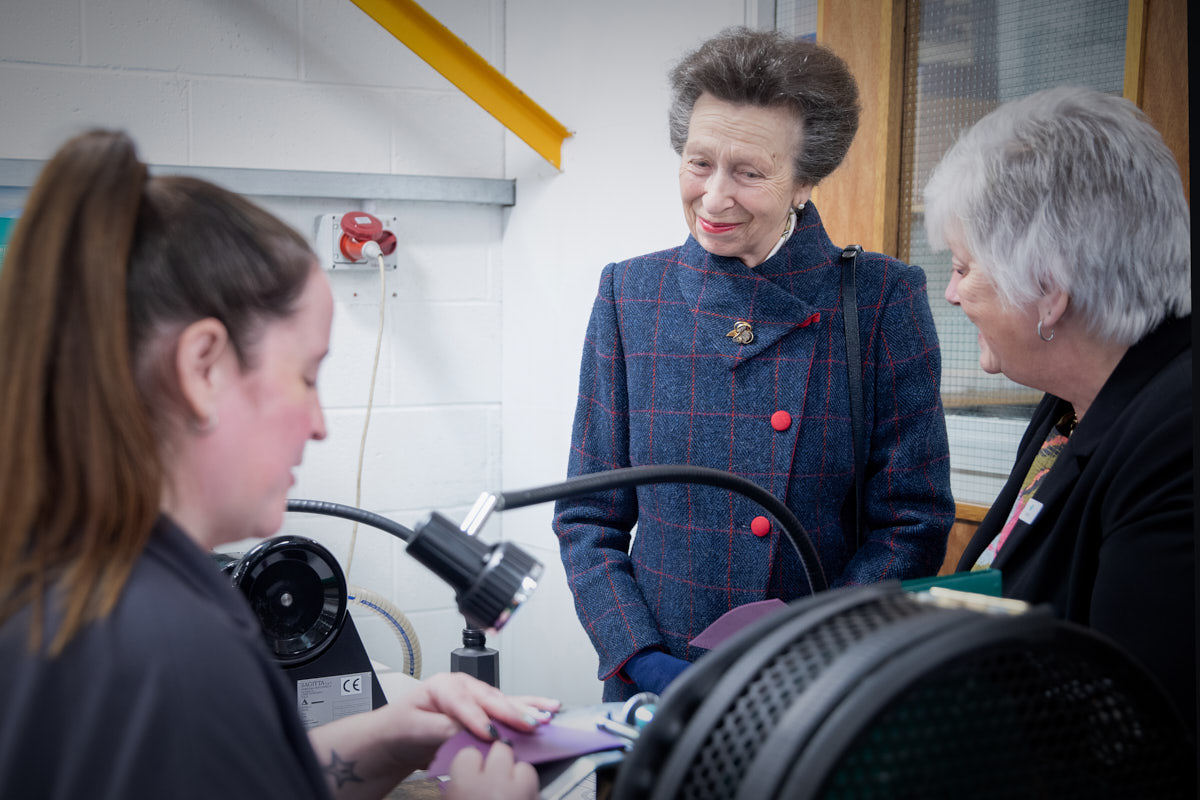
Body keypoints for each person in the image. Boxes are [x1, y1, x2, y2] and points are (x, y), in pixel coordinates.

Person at [0, 129, 558, 799]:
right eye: (308, 375)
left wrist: (389, 737)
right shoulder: (170, 651)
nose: (320, 424)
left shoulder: (82, 576)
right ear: (203, 368)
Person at [553, 27, 954, 703]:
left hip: (817, 689)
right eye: (698, 162)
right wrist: (641, 658)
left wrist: (815, 659)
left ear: (805, 181)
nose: (713, 198)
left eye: (749, 172)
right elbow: (587, 517)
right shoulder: (631, 294)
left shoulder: (882, 298)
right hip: (657, 689)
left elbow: (911, 523)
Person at [924, 86, 1194, 732]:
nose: (952, 293)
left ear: (1050, 290)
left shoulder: (1179, 438)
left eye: (963, 266)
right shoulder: (1069, 403)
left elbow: (1133, 726)